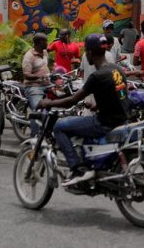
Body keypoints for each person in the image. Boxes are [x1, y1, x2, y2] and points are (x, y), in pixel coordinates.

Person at [38, 34, 129, 186]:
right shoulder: (117, 70)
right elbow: (119, 96)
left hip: (104, 123)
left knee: (60, 126)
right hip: (122, 119)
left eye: (86, 51)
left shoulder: (97, 76)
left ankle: (77, 169)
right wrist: (97, 105)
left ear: (90, 53)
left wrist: (48, 103)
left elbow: (71, 101)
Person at [22, 32, 50, 136]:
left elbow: (45, 67)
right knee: (38, 110)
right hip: (34, 87)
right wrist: (39, 77)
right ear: (39, 42)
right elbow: (26, 75)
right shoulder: (29, 56)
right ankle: (35, 136)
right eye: (45, 41)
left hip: (47, 85)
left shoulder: (45, 52)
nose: (47, 43)